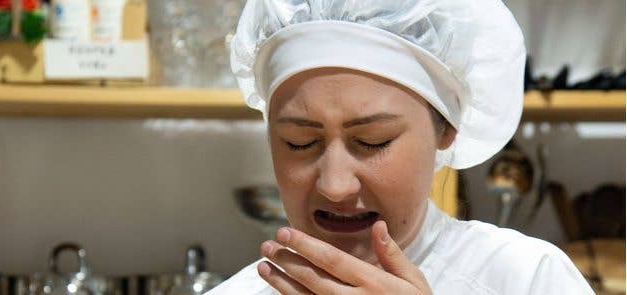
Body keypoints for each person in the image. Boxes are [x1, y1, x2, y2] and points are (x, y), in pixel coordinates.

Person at [207, 0, 594, 294]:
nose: (335, 185)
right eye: (300, 142)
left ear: (447, 129)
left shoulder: (526, 279)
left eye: (372, 142)